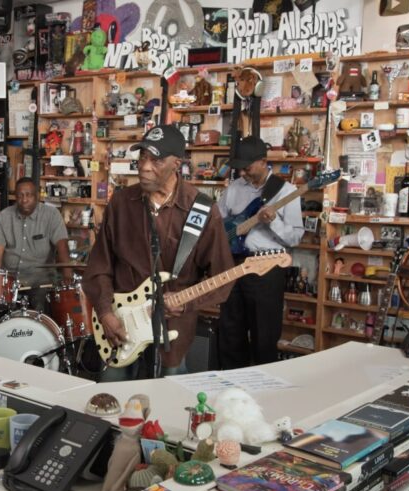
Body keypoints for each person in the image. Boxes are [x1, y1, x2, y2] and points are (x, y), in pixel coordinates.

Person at [82, 125, 234, 381]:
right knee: (112, 394)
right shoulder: (121, 203)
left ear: (177, 164)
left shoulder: (201, 210)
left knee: (167, 397)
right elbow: (100, 265)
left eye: (156, 160)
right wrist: (106, 312)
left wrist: (187, 303)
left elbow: (222, 277)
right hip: (120, 322)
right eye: (142, 157)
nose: (144, 167)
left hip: (172, 330)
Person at [217, 135, 304, 369]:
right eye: (240, 168)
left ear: (263, 161)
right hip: (235, 264)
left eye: (247, 167)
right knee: (230, 331)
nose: (242, 172)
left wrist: (273, 221)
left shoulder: (286, 191)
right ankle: (230, 383)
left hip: (267, 266)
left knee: (264, 335)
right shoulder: (234, 188)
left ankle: (263, 385)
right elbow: (219, 224)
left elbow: (295, 237)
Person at [0, 178, 72, 312]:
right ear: (15, 197)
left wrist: (67, 276)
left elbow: (62, 246)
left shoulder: (51, 215)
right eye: (20, 195)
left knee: (39, 307)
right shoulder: (4, 217)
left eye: (29, 195)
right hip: (10, 282)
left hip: (40, 283)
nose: (24, 200)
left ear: (37, 196)